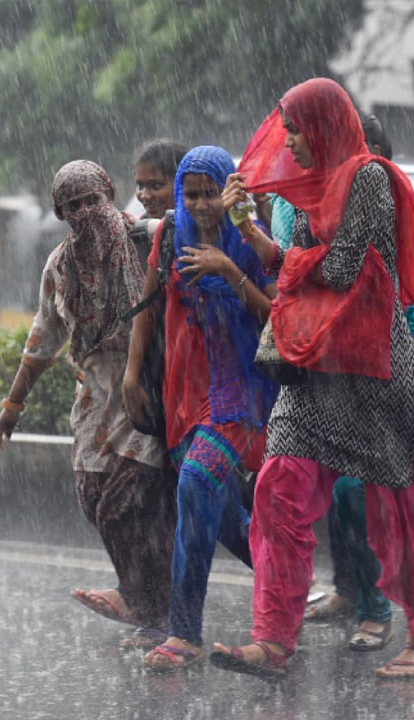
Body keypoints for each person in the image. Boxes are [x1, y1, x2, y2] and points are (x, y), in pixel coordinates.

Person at [210, 78, 414, 680]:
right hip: (314, 366)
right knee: (276, 492)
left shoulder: (367, 177)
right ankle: (271, 639)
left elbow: (340, 269)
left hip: (372, 369)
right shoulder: (310, 193)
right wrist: (246, 226)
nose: (288, 139)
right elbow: (288, 265)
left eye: (295, 127)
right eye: (286, 127)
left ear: (323, 125)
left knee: (401, 509)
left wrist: (286, 259)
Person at [0, 160, 178, 647]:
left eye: (91, 200)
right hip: (94, 397)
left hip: (146, 389)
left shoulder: (147, 240)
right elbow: (44, 336)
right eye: (71, 206)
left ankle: (153, 608)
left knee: (129, 501)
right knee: (94, 497)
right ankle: (145, 600)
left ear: (109, 194)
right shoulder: (61, 265)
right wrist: (13, 404)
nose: (84, 213)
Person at [299, 114, 414, 657]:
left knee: (392, 499)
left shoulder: (381, 191)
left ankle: (407, 621)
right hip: (335, 371)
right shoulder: (314, 202)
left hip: (391, 368)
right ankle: (362, 598)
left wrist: (384, 182)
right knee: (339, 494)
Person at [122, 145, 278, 670]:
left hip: (239, 392)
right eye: (192, 195)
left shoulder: (251, 238)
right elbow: (147, 308)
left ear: (228, 191)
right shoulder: (169, 235)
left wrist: (228, 268)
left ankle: (183, 632)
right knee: (224, 512)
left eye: (211, 193)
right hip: (184, 391)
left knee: (194, 484)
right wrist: (131, 373)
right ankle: (285, 583)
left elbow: (275, 315)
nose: (202, 204)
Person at [134, 139, 188, 221]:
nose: (144, 196)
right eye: (140, 186)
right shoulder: (137, 229)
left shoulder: (204, 228)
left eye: (156, 186)